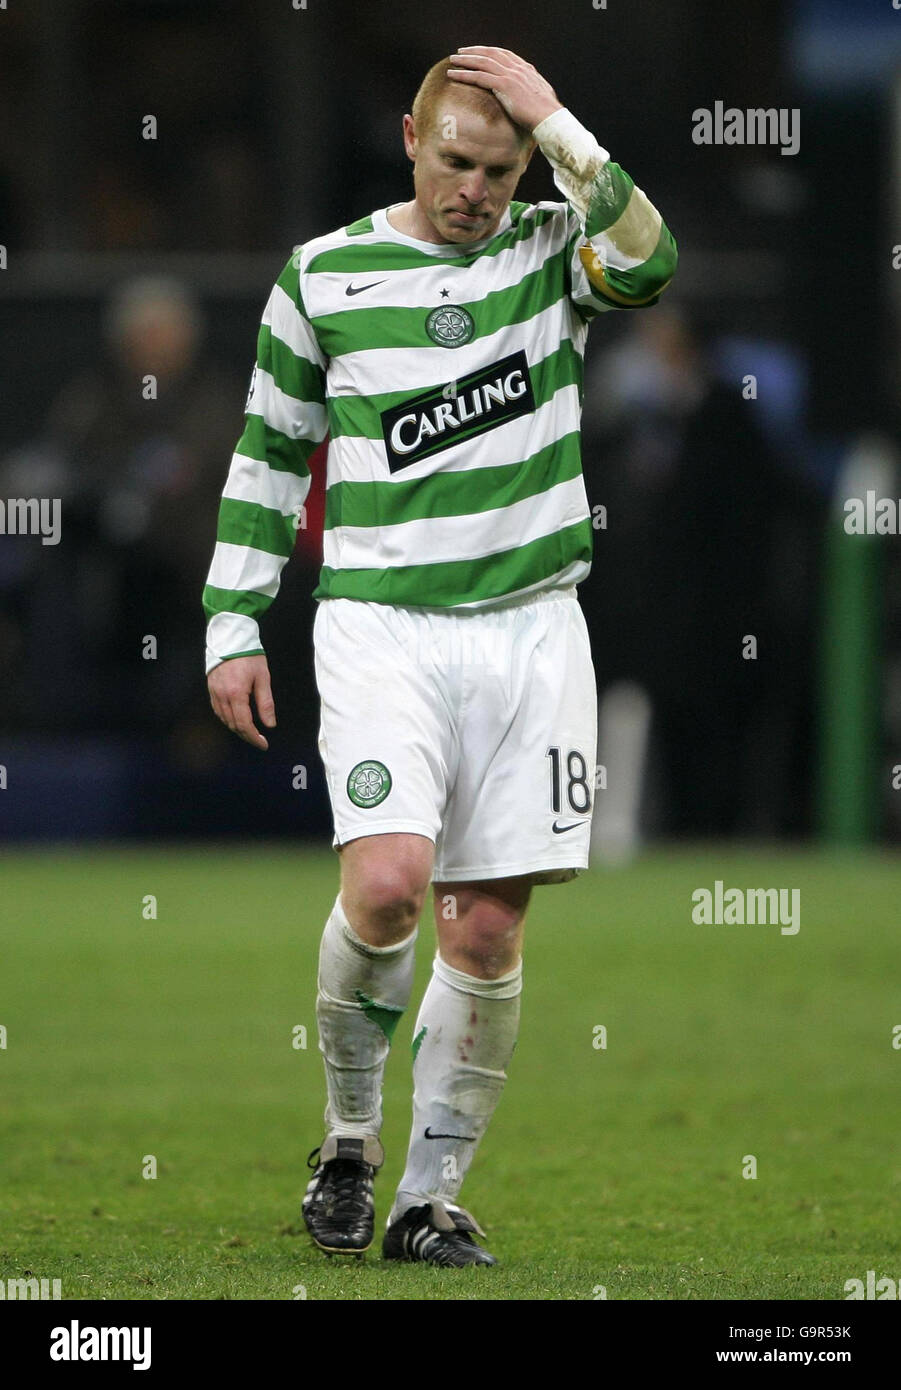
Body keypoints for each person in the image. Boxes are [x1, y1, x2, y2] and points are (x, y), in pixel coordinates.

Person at [202, 46, 677, 1267]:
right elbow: (267, 455)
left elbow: (651, 260)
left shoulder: (544, 255)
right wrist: (231, 621)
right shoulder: (324, 275)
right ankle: (349, 1140)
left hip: (530, 627)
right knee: (388, 885)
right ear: (411, 140)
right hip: (381, 627)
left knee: (483, 931)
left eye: (498, 165)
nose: (474, 187)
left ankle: (427, 1198)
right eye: (455, 160)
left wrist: (559, 123)